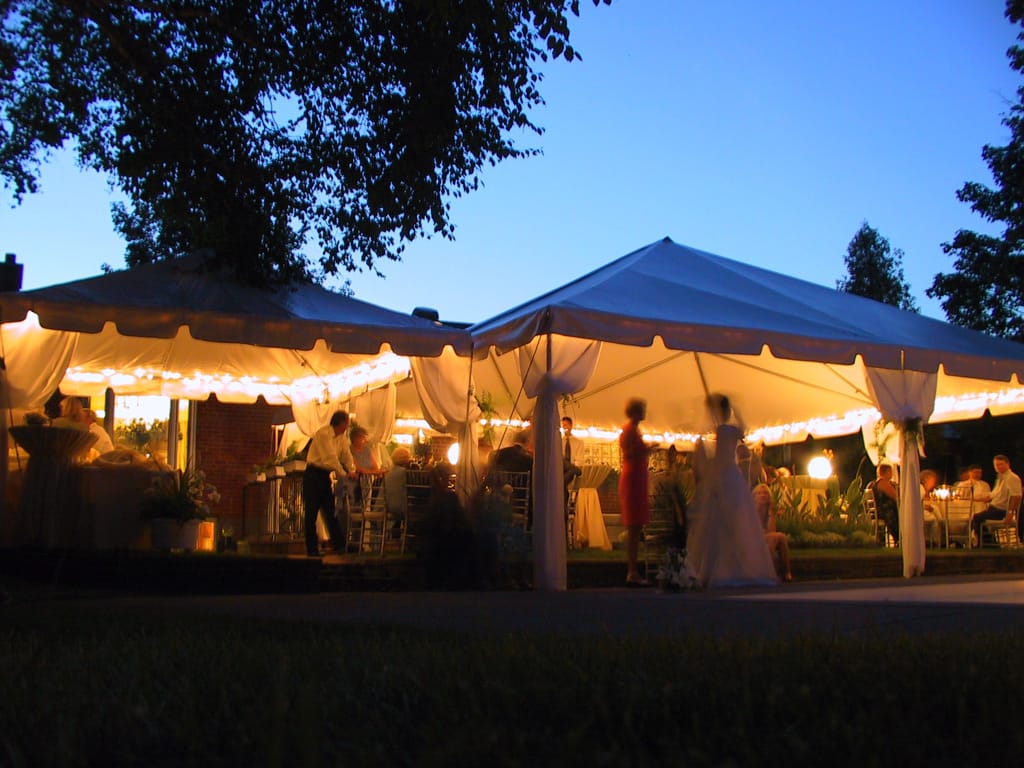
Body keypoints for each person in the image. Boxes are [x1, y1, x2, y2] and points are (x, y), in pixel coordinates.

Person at [686, 394, 777, 588]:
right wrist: (736, 411)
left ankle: (712, 570)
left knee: (717, 524)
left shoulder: (719, 432)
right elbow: (742, 431)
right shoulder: (727, 430)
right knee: (732, 523)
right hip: (729, 478)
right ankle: (730, 568)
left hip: (722, 477)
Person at [302, 410, 357, 557]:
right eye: (347, 423)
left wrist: (351, 469)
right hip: (313, 474)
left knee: (330, 510)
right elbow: (330, 458)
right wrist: (343, 474)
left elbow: (346, 455)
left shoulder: (341, 438)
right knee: (311, 512)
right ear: (341, 423)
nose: (347, 427)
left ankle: (339, 544)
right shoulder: (324, 434)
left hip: (324, 475)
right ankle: (312, 548)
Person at [619, 398, 651, 587]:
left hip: (637, 477)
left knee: (636, 527)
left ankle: (633, 570)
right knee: (633, 527)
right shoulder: (629, 430)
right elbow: (630, 452)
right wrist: (647, 449)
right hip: (633, 479)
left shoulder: (632, 430)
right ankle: (632, 571)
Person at [971, 454, 1023, 543]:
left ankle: (987, 542)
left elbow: (1017, 496)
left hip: (1001, 510)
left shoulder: (1012, 478)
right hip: (994, 508)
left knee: (976, 518)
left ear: (1008, 464)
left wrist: (1010, 513)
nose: (998, 467)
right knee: (974, 518)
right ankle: (988, 542)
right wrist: (972, 498)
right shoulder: (1000, 478)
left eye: (1001, 464)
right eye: (996, 465)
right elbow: (993, 495)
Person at [752, 483, 792, 582]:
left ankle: (786, 573)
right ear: (754, 496)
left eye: (765, 493)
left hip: (766, 536)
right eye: (759, 493)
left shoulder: (769, 511)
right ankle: (769, 572)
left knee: (780, 537)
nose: (762, 495)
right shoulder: (750, 510)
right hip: (752, 537)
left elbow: (771, 530)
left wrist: (770, 513)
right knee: (775, 538)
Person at [867, 463, 900, 546]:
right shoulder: (883, 483)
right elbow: (896, 497)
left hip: (876, 513)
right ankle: (900, 538)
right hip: (885, 512)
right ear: (887, 472)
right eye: (890, 471)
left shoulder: (871, 484)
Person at [919, 468, 943, 547]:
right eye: (932, 480)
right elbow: (915, 501)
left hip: (918, 513)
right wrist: (924, 506)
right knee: (935, 517)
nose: (933, 483)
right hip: (919, 515)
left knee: (935, 511)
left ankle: (931, 540)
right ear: (927, 479)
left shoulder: (921, 488)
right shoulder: (921, 488)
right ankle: (935, 541)